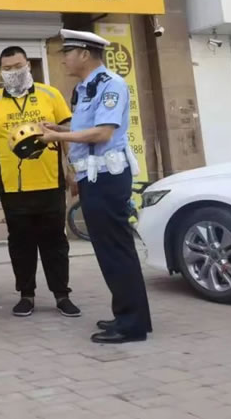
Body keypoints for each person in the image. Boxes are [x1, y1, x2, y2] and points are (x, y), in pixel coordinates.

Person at [41, 29, 152, 344]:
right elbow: (85, 127)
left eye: (67, 52)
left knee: (116, 250)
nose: (63, 59)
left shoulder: (110, 84)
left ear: (85, 54)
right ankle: (127, 315)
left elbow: (103, 133)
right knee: (108, 250)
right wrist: (58, 127)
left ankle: (132, 325)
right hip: (92, 177)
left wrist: (58, 136)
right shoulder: (84, 87)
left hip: (107, 177)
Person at [0, 46, 81, 318]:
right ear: (0, 71)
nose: (13, 72)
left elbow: (68, 134)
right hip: (13, 187)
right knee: (20, 244)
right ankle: (26, 295)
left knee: (55, 242)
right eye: (7, 69)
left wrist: (73, 170)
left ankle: (61, 295)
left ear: (28, 66)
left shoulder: (51, 95)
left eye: (17, 66)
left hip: (50, 183)